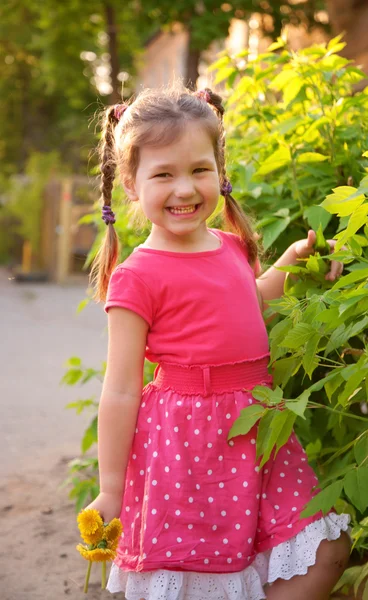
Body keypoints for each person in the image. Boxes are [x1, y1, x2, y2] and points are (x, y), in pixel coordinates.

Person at [86, 85, 351, 600]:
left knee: (326, 549)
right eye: (163, 174)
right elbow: (120, 390)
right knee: (205, 576)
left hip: (261, 424)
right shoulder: (138, 275)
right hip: (186, 445)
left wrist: (292, 262)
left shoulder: (231, 246)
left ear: (218, 169)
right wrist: (111, 489)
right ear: (130, 184)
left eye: (198, 170)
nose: (184, 189)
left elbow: (248, 302)